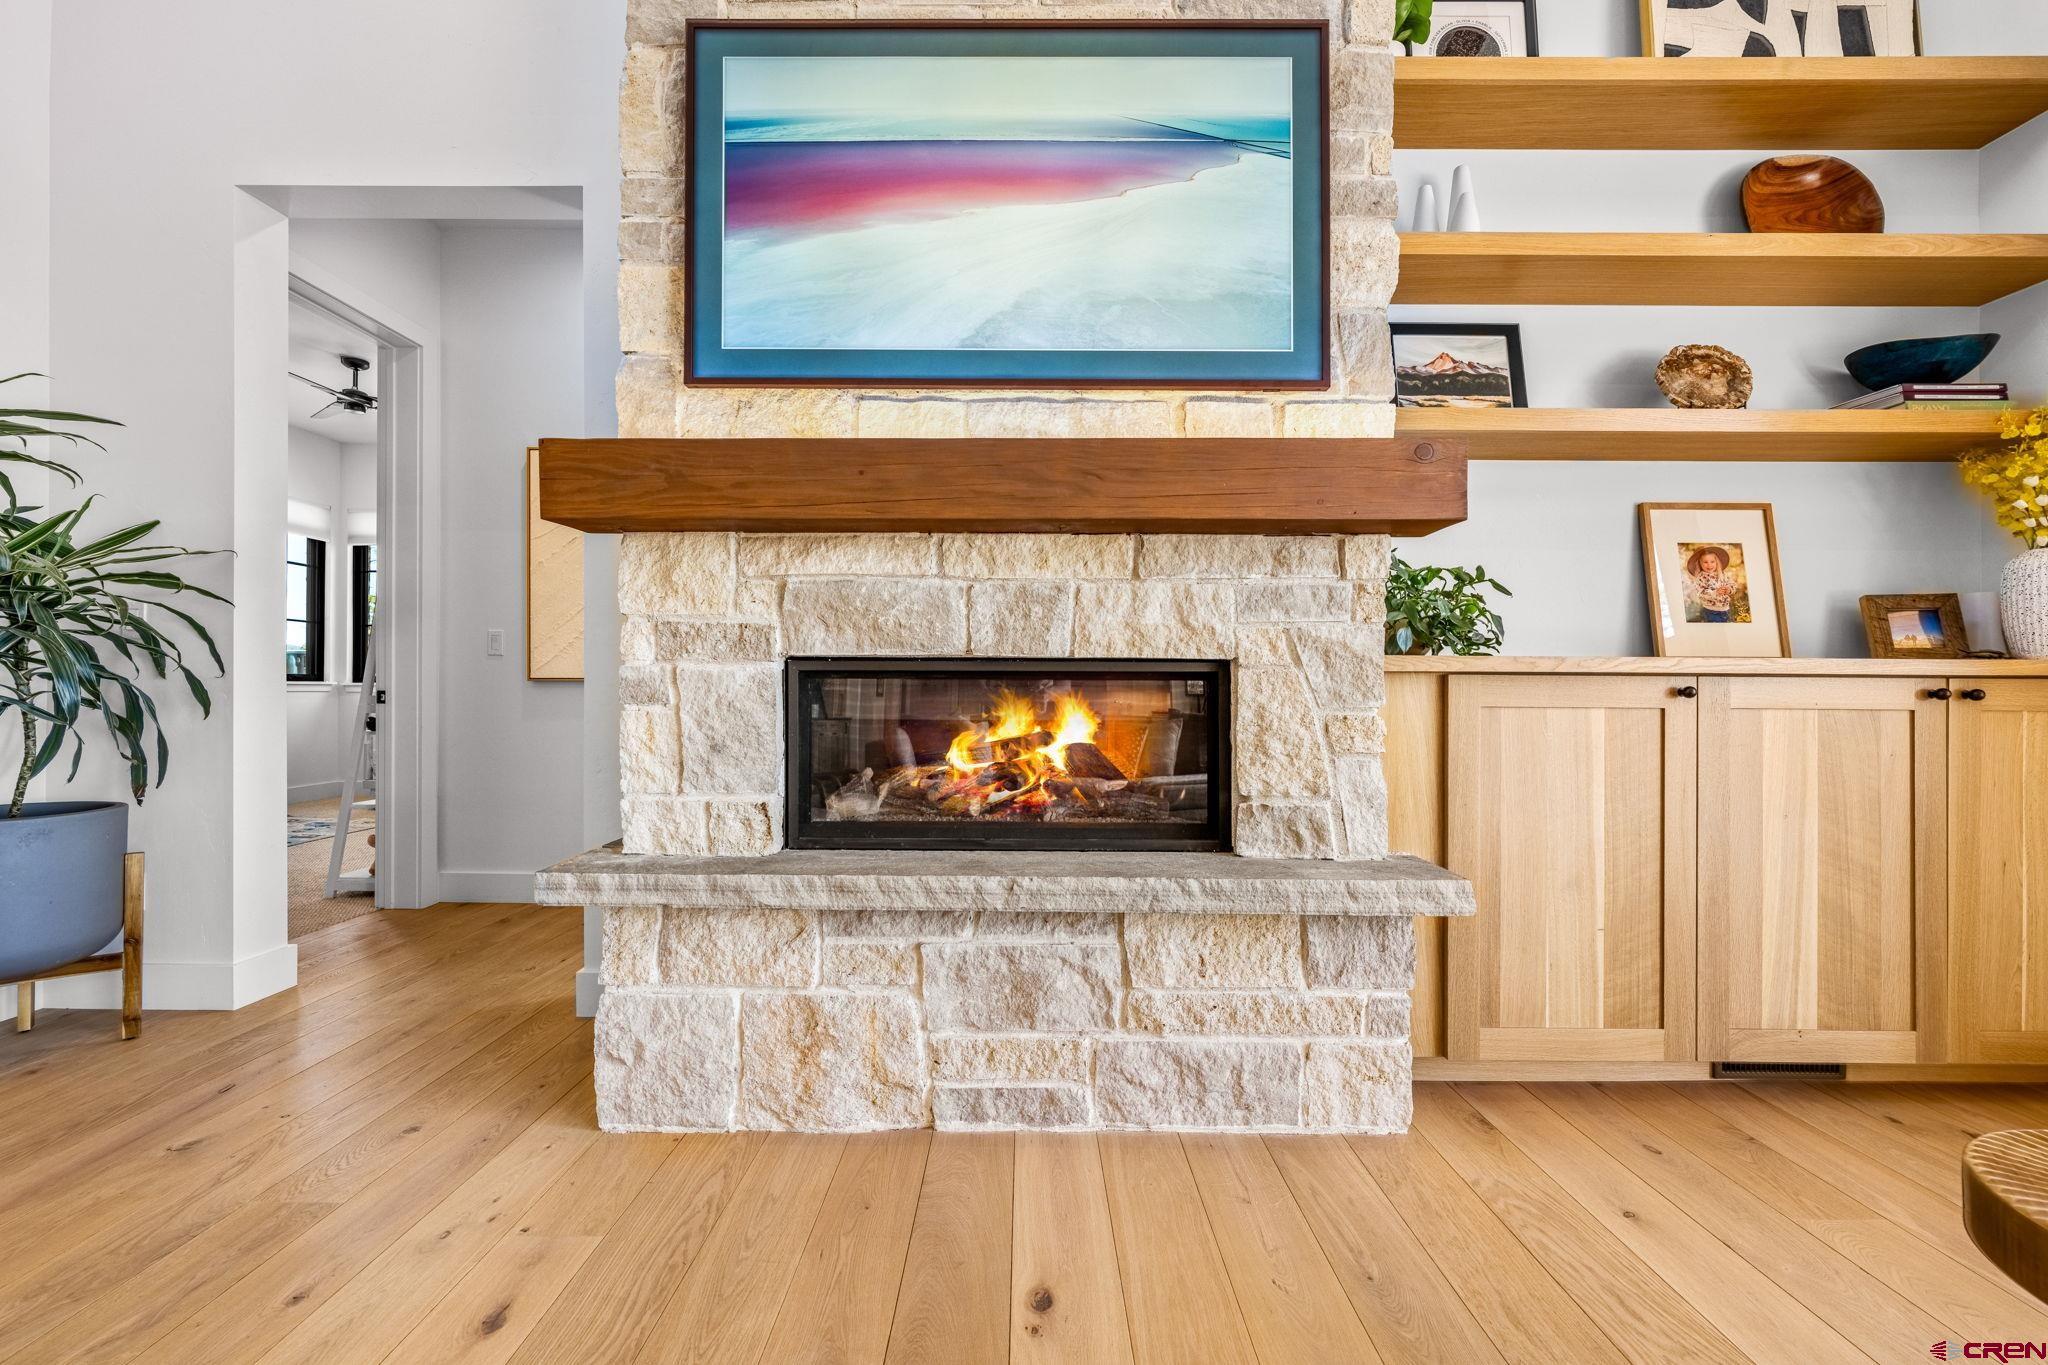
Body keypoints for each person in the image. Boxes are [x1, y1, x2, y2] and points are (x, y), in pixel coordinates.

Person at [1686, 546, 1741, 623]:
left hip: (1726, 609)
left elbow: (1732, 584)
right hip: (1711, 611)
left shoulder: (1722, 574)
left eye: (1712, 562)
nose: (1709, 565)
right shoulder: (1701, 577)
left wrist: (1729, 589)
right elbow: (1701, 592)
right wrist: (1715, 592)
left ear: (1716, 562)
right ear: (1699, 563)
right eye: (1705, 562)